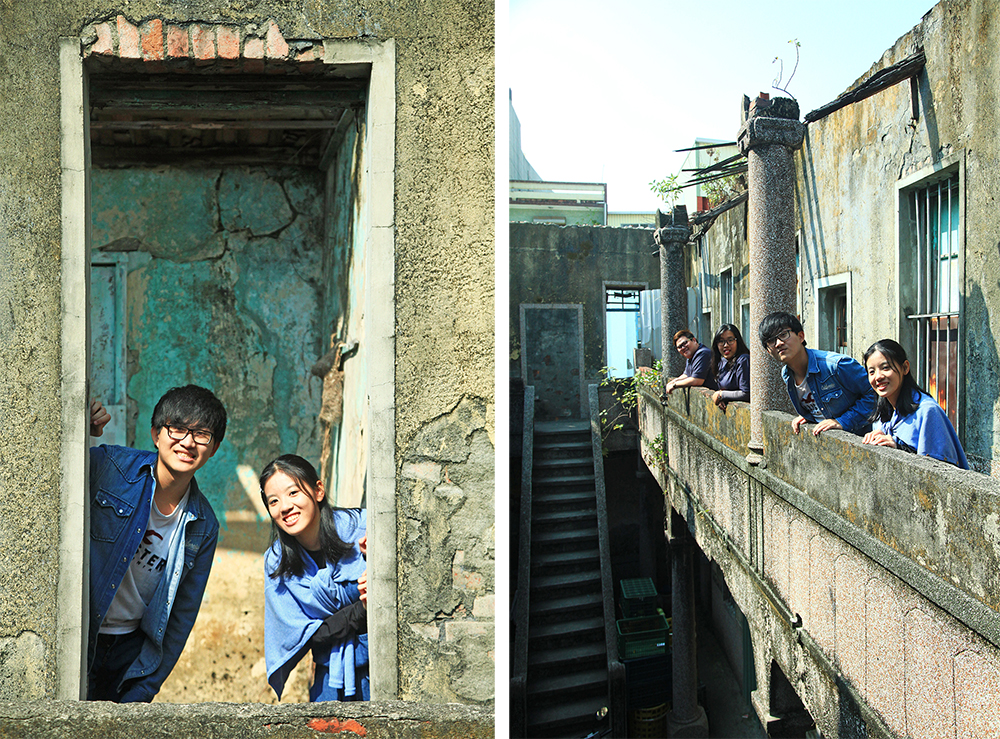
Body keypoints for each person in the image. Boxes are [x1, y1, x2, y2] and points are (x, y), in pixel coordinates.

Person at [87, 385, 227, 702]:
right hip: (82, 637)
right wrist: (82, 428)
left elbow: (181, 616)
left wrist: (146, 686)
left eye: (202, 434)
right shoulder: (111, 467)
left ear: (214, 448)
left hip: (130, 653)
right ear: (156, 434)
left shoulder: (204, 526)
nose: (188, 442)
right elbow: (53, 472)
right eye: (177, 429)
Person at [260, 454, 369, 702]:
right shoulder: (276, 562)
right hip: (328, 679)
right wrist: (361, 608)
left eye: (293, 493)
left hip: (380, 665)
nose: (285, 507)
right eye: (273, 501)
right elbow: (309, 634)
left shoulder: (362, 529)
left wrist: (376, 561)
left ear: (318, 491)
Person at [758, 311, 875, 436]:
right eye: (771, 341)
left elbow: (875, 394)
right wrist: (809, 416)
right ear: (768, 352)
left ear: (801, 336)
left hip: (861, 439)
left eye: (783, 334)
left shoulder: (835, 365)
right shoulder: (787, 374)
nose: (778, 343)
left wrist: (842, 421)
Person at [861, 339, 969, 468]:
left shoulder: (927, 411)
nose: (878, 377)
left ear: (905, 367)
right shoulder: (882, 413)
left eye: (885, 368)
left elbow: (940, 468)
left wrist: (899, 446)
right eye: (871, 371)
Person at [710, 323, 751, 410]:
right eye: (721, 341)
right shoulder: (722, 362)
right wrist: (722, 398)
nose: (726, 345)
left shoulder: (743, 360)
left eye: (730, 340)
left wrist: (721, 395)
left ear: (737, 341)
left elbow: (746, 393)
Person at [664, 329, 718, 394]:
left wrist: (674, 385)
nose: (683, 347)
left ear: (694, 340)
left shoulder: (703, 353)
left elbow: (697, 380)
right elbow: (686, 375)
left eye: (685, 343)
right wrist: (672, 382)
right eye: (680, 347)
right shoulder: (691, 356)